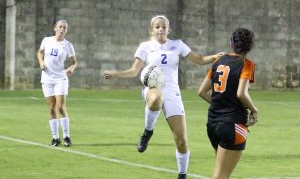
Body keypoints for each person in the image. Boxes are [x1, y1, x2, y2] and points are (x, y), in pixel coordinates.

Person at [104, 15, 224, 179]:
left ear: (169, 29)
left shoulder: (177, 45)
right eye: (157, 27)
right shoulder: (146, 47)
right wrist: (115, 74)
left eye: (164, 27)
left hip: (173, 92)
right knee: (155, 99)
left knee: (182, 142)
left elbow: (200, 60)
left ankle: (182, 175)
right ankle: (148, 131)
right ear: (151, 30)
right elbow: (134, 71)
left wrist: (215, 57)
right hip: (153, 88)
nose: (161, 29)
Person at [198, 28, 258, 179]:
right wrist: (254, 110)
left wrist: (221, 104)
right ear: (250, 46)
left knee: (221, 174)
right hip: (233, 125)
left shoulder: (219, 61)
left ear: (231, 43)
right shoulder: (246, 65)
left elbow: (202, 92)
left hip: (212, 124)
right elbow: (241, 93)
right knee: (221, 177)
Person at [36, 19, 77, 147]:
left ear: (66, 30)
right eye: (60, 27)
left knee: (60, 108)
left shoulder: (68, 45)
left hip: (60, 78)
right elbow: (40, 53)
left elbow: (75, 62)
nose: (62, 29)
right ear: (55, 28)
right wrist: (41, 62)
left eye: (64, 28)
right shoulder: (47, 40)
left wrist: (71, 68)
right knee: (51, 108)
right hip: (47, 79)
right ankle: (55, 138)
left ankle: (66, 136)